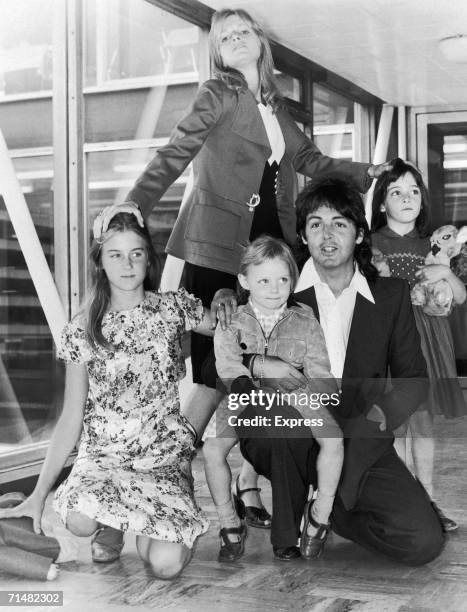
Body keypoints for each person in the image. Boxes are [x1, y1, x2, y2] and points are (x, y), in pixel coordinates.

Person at [97, 7, 391, 546]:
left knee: (259, 364)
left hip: (267, 255)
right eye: (223, 35)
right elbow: (177, 149)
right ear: (217, 51)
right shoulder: (219, 93)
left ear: (260, 41)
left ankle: (241, 486)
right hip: (215, 251)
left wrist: (361, 172)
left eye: (242, 30)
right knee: (213, 376)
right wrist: (135, 203)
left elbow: (309, 158)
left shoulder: (275, 107)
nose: (233, 38)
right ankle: (152, 484)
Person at [215, 177, 445, 565]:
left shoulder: (391, 297)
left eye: (340, 223)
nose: (327, 234)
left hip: (360, 432)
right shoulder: (279, 287)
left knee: (422, 542)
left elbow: (413, 380)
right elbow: (217, 359)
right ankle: (301, 513)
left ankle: (331, 511)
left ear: (358, 234)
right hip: (288, 428)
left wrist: (378, 416)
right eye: (315, 224)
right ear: (303, 235)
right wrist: (258, 362)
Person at [0, 209, 214, 580]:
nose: (127, 264)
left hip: (159, 460)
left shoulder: (173, 308)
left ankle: (147, 518)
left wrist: (229, 296)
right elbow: (71, 417)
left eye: (136, 253)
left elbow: (234, 326)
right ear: (100, 261)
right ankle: (112, 525)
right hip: (105, 460)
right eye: (115, 254)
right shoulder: (82, 329)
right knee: (80, 521)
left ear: (149, 258)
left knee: (165, 567)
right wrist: (38, 495)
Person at [210, 236, 342, 561]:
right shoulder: (233, 320)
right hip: (246, 394)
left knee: (334, 439)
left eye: (283, 279)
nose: (274, 288)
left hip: (297, 393)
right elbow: (226, 360)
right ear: (245, 281)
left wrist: (315, 394)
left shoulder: (304, 318)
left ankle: (320, 513)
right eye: (264, 280)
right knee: (213, 449)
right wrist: (243, 383)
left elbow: (320, 368)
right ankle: (228, 519)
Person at [371, 158, 467, 532]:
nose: (406, 198)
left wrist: (444, 272)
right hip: (393, 343)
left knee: (422, 421)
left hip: (428, 342)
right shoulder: (373, 242)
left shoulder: (435, 245)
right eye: (396, 191)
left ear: (422, 199)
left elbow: (459, 297)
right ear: (382, 203)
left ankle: (427, 500)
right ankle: (401, 501)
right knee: (393, 422)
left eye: (413, 191)